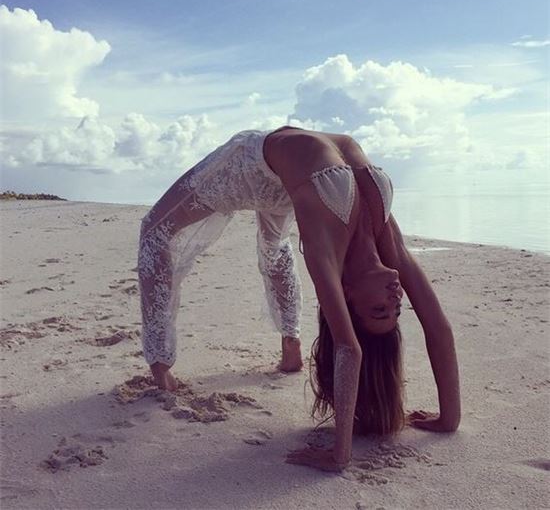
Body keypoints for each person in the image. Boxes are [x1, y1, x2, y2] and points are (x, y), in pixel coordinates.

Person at [137, 125, 461, 472]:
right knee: (274, 247)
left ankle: (161, 365)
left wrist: (340, 455)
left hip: (251, 166)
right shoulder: (386, 242)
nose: (396, 298)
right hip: (297, 182)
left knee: (156, 230)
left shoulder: (325, 257)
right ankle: (289, 348)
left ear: (348, 296)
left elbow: (348, 348)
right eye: (397, 309)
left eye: (380, 309)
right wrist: (449, 418)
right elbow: (437, 325)